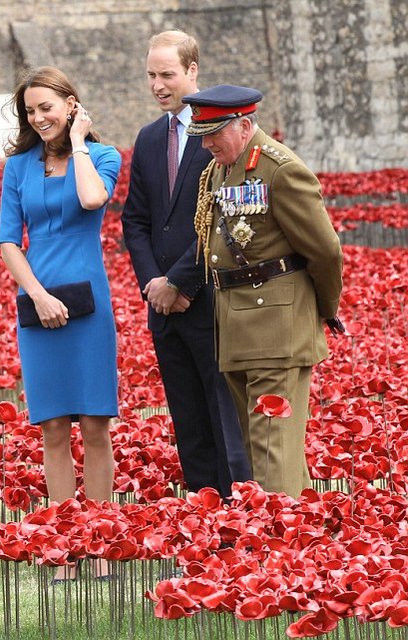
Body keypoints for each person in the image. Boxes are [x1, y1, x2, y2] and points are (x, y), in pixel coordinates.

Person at [183, 85, 344, 498]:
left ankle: (280, 553)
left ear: (245, 125)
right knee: (265, 449)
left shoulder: (279, 168)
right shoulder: (221, 168)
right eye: (202, 133)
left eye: (215, 133)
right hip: (236, 325)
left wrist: (323, 309)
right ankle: (304, 540)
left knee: (272, 449)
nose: (206, 144)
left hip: (277, 326)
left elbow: (324, 251)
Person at [0, 67, 121, 582]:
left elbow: (93, 199)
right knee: (50, 427)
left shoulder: (105, 156)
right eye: (30, 111)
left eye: (47, 106)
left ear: (71, 103)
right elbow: (8, 241)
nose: (38, 117)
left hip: (90, 302)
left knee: (94, 425)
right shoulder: (18, 168)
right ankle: (63, 550)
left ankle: (98, 547)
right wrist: (39, 295)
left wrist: (77, 142)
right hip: (37, 303)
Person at [122, 30, 251, 498]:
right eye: (151, 75)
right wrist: (153, 285)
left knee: (226, 424)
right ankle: (202, 522)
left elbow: (228, 218)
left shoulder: (224, 131)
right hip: (164, 309)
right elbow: (134, 220)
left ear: (192, 71)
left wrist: (179, 281)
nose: (157, 85)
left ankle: (237, 523)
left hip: (212, 302)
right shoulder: (150, 138)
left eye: (167, 75)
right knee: (188, 424)